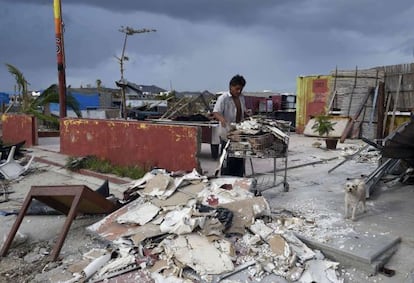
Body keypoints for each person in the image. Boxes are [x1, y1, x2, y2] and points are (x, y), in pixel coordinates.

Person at [213, 74, 249, 177]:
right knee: (228, 159)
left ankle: (238, 178)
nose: (239, 91)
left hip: (239, 133)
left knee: (239, 157)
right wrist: (222, 119)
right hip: (227, 134)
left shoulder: (241, 97)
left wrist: (247, 113)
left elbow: (242, 111)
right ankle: (226, 179)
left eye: (241, 89)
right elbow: (216, 112)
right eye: (237, 89)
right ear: (231, 86)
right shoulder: (223, 98)